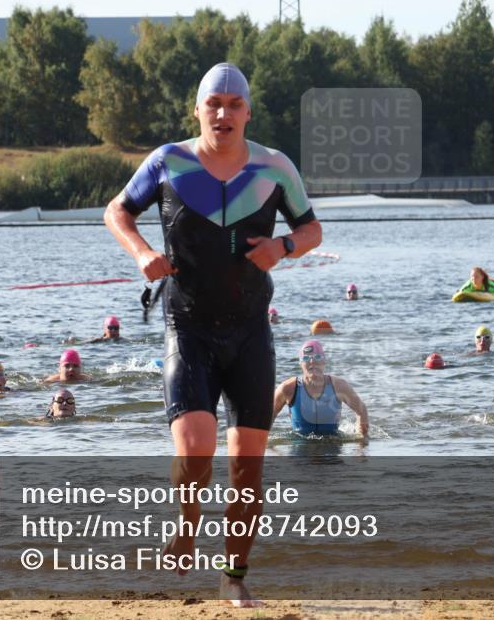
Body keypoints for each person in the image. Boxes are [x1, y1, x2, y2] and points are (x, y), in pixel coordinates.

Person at [103, 62, 322, 607]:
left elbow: (312, 228)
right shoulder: (168, 161)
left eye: (234, 104)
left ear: (248, 111)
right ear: (197, 109)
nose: (223, 113)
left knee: (248, 473)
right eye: (213, 103)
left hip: (250, 332)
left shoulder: (275, 167)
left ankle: (233, 574)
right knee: (196, 452)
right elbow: (117, 211)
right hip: (189, 327)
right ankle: (185, 518)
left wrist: (284, 248)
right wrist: (143, 254)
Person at [272, 340, 369, 439]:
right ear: (300, 363)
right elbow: (268, 416)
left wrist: (361, 446)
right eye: (306, 358)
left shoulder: (339, 386)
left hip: (332, 443)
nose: (312, 361)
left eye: (317, 357)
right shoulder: (288, 388)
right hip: (300, 445)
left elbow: (361, 410)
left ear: (324, 360)